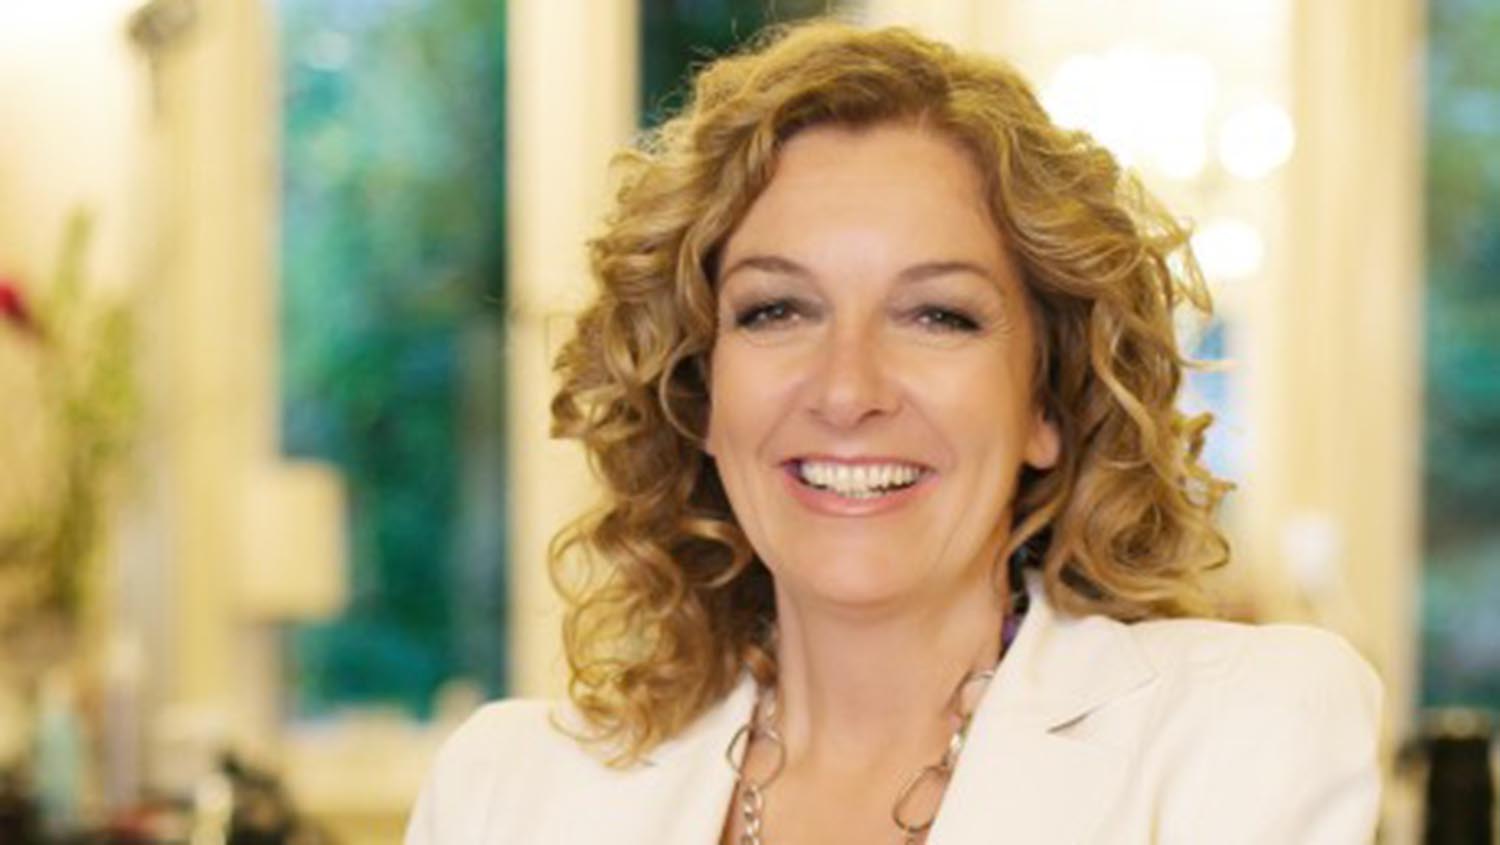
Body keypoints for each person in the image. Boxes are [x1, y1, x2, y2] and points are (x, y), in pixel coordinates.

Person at [407, 20, 1381, 845]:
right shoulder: (505, 791)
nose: (847, 389)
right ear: (700, 392)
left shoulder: (1240, 727)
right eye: (777, 309)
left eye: (937, 316)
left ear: (1047, 403)